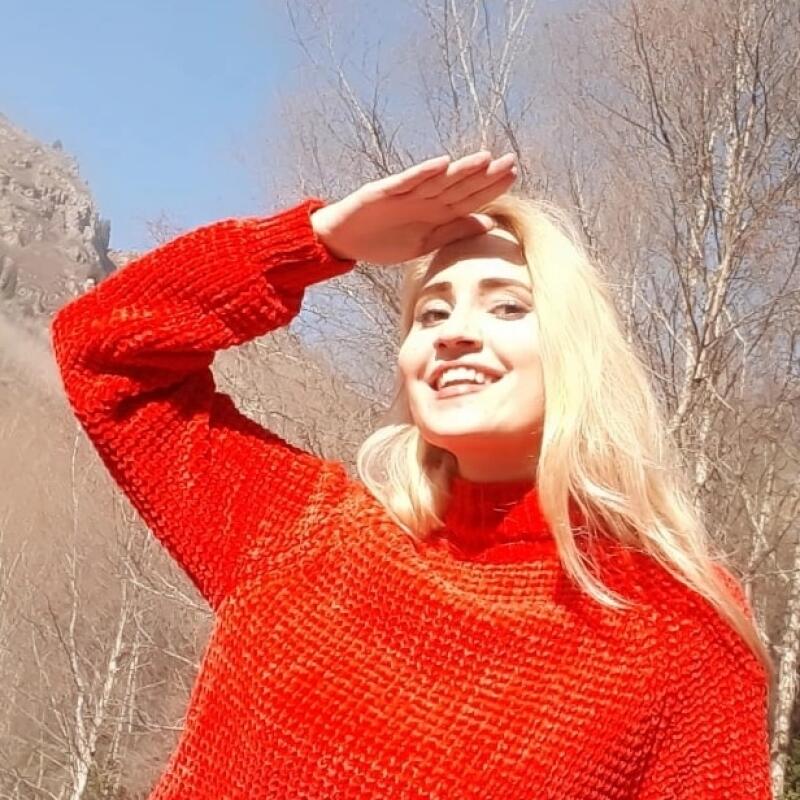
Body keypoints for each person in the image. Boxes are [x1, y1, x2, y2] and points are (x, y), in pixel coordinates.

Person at [51, 150, 773, 799]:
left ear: (578, 351)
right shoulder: (302, 533)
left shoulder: (677, 629)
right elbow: (103, 350)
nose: (453, 332)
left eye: (508, 305)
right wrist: (320, 240)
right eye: (430, 313)